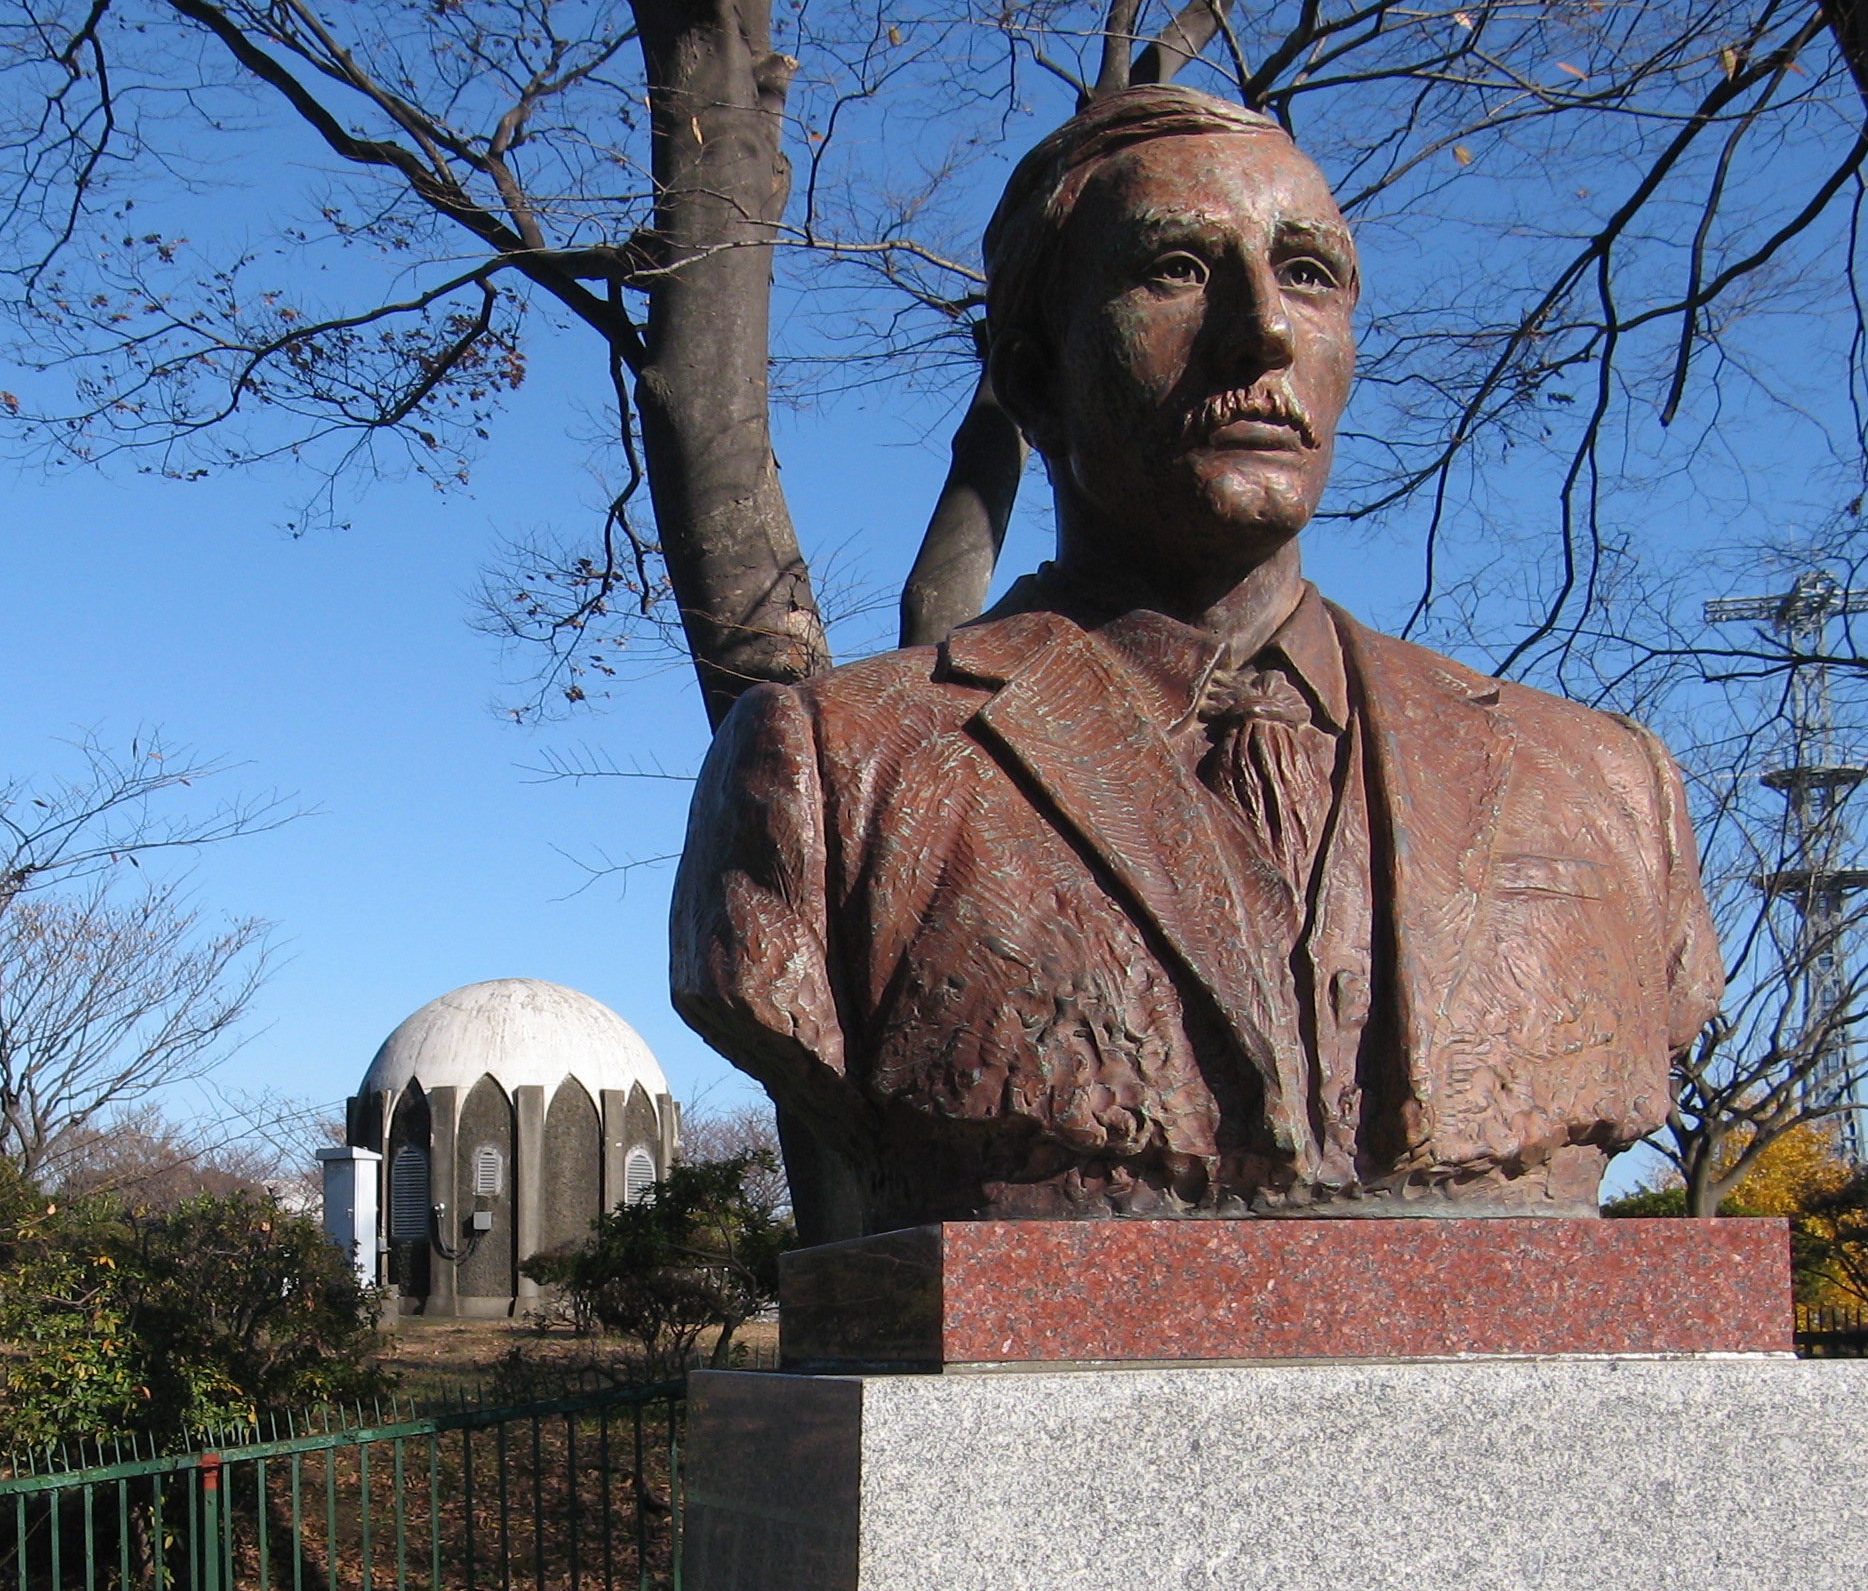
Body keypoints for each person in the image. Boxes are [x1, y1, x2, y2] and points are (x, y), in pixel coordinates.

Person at [670, 86, 1722, 1244]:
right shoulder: (834, 774)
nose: (1264, 331)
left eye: (1308, 275)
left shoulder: (1608, 789)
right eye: (1174, 269)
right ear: (1032, 375)